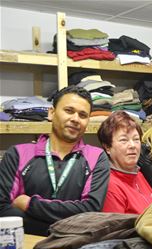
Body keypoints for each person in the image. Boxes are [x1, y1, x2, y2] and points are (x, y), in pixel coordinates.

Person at [0, 86, 110, 236]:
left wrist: (29, 205)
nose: (75, 119)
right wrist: (66, 226)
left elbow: (90, 210)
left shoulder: (97, 157)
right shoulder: (18, 153)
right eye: (69, 111)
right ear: (51, 113)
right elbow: (3, 210)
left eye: (83, 115)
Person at [97, 111, 152, 214]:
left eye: (136, 139)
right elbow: (116, 229)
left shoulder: (137, 173)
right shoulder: (110, 187)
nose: (132, 145)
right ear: (108, 147)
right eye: (124, 140)